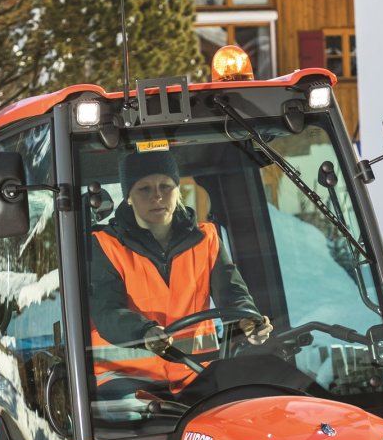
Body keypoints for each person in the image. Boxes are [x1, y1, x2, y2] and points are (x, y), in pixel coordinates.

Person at [88, 148, 273, 393]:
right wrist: (144, 332)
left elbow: (232, 294)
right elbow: (106, 311)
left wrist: (247, 321)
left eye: (166, 186)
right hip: (126, 382)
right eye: (144, 189)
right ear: (128, 197)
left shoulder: (206, 239)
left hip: (196, 376)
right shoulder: (105, 245)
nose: (157, 196)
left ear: (178, 190)